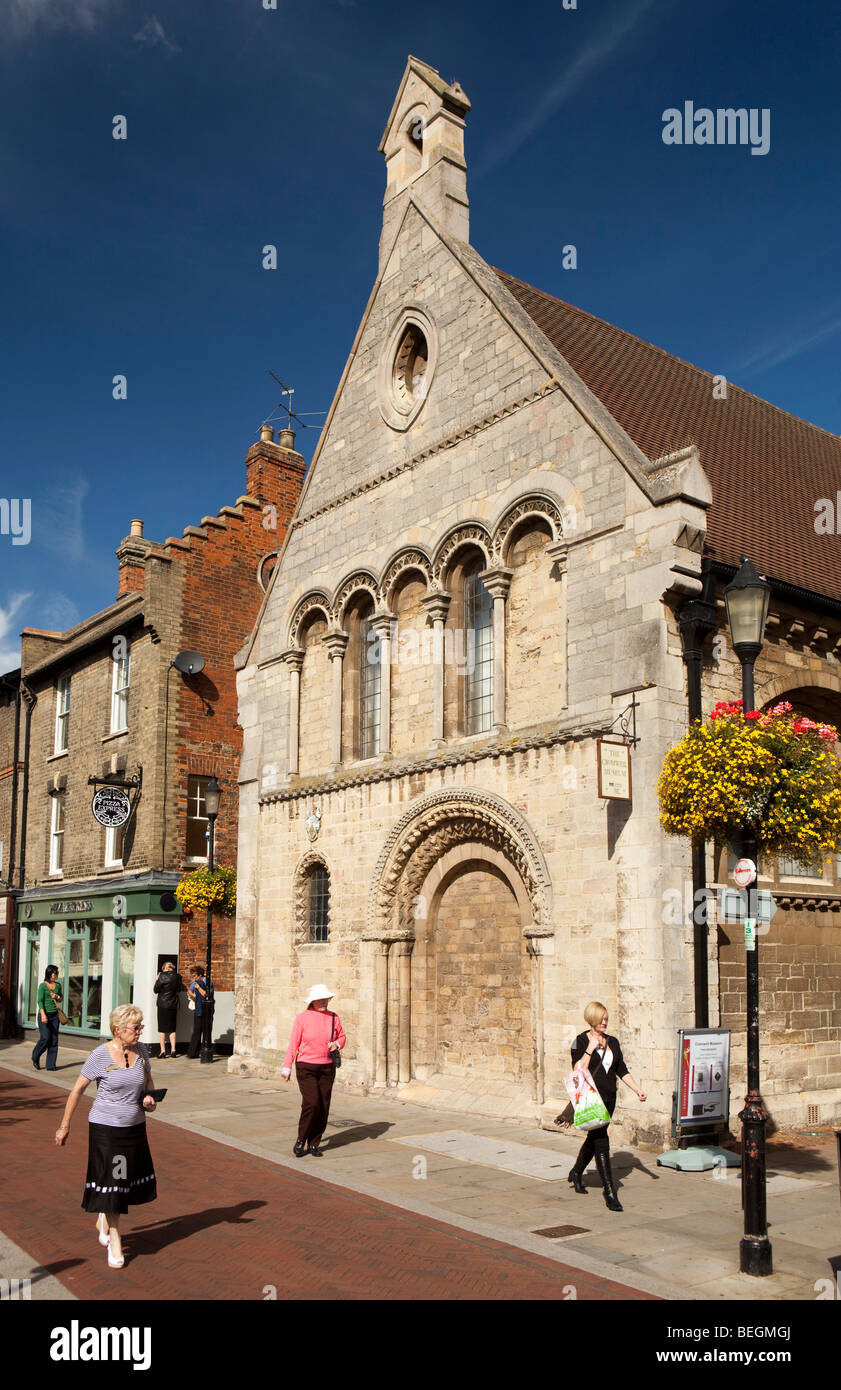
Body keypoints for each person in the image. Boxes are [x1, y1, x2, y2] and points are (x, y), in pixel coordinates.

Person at [54, 1004, 158, 1268]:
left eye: (140, 1027)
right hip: (106, 1130)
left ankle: (104, 1215)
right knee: (115, 1180)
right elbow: (77, 1090)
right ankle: (115, 1238)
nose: (140, 1032)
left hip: (134, 1128)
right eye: (136, 1028)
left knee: (124, 1179)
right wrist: (64, 1125)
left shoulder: (142, 1051)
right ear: (118, 1030)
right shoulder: (99, 1056)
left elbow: (149, 1084)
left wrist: (150, 1099)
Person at [567, 1001, 646, 1212]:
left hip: (610, 1098)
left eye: (606, 1019)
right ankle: (609, 1191)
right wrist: (590, 1050)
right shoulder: (579, 1041)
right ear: (592, 1019)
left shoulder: (613, 1042)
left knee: (594, 1137)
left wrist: (637, 1089)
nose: (605, 1022)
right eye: (602, 1019)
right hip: (592, 1099)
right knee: (601, 1140)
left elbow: (622, 1069)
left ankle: (576, 1172)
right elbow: (577, 1069)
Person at [281, 984, 346, 1157]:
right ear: (313, 1001)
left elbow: (342, 1036)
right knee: (312, 1103)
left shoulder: (334, 1017)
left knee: (324, 1105)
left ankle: (314, 1143)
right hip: (306, 1066)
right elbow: (293, 1043)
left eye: (326, 998)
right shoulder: (302, 1018)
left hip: (327, 1067)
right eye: (321, 999)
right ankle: (301, 1139)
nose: (325, 1001)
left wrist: (337, 1044)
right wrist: (287, 1066)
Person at [32, 965, 63, 1072]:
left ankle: (50, 1065)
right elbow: (40, 1001)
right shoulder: (42, 986)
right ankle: (35, 1056)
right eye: (55, 973)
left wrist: (57, 997)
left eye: (57, 973)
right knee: (45, 1038)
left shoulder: (58, 985)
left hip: (55, 1016)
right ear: (50, 974)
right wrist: (43, 1015)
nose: (57, 975)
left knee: (54, 1040)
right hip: (44, 1015)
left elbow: (61, 999)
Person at [154, 961, 183, 1059]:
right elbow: (179, 990)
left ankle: (163, 1051)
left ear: (164, 968)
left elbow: (156, 990)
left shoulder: (162, 976)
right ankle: (173, 1050)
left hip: (162, 1004)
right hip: (173, 1004)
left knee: (162, 1029)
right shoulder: (178, 977)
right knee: (172, 1028)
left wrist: (157, 979)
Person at [186, 965, 210, 1059]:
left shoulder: (207, 982)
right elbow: (190, 991)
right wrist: (195, 997)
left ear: (200, 975)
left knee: (206, 1031)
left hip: (206, 1009)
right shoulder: (195, 982)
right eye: (193, 976)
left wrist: (199, 988)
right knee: (196, 1031)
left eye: (195, 975)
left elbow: (206, 995)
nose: (194, 978)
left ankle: (205, 1051)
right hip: (198, 1008)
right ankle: (193, 1053)